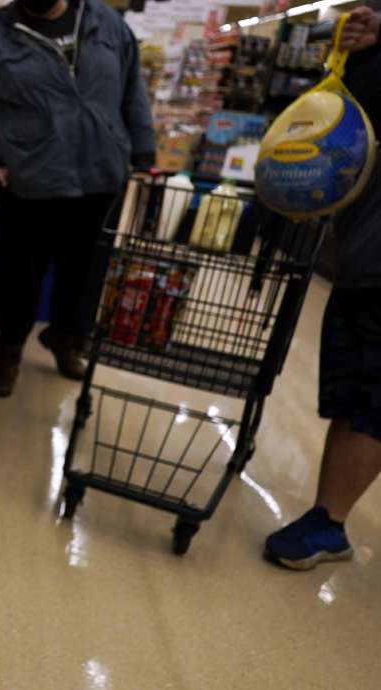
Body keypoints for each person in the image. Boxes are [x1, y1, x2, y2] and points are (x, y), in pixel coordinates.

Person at [0, 0, 155, 397]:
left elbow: (133, 89)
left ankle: (65, 341)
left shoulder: (107, 24)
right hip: (30, 180)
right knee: (20, 277)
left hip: (99, 174)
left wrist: (143, 149)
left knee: (81, 273)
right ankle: (9, 352)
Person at [264, 5, 381, 570]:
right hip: (366, 248)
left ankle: (328, 520)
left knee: (372, 396)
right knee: (356, 389)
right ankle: (327, 517)